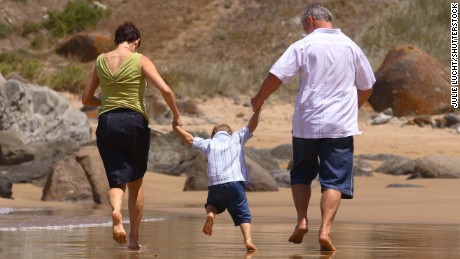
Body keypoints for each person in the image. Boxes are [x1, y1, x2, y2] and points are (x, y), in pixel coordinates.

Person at [251, 3, 375, 252]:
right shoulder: (351, 46)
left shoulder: (303, 45)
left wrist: (259, 99)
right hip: (340, 125)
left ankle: (302, 220)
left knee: (301, 174)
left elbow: (277, 75)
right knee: (335, 181)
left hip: (307, 123)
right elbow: (367, 85)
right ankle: (325, 230)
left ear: (309, 20)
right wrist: (352, 109)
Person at [82, 21, 182, 250]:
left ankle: (116, 211)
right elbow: (166, 90)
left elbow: (86, 99)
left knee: (117, 181)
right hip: (134, 122)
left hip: (107, 122)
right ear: (136, 41)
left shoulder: (100, 61)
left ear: (117, 40)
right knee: (135, 182)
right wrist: (176, 115)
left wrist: (105, 101)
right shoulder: (140, 59)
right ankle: (134, 240)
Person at [173, 108, 262, 251]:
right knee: (243, 214)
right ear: (229, 133)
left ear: (214, 134)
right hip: (235, 182)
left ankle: (210, 214)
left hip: (216, 184)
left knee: (212, 204)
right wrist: (257, 111)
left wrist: (176, 128)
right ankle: (248, 240)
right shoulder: (237, 137)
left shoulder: (209, 143)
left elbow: (189, 139)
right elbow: (252, 126)